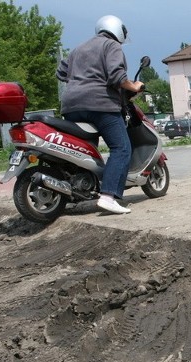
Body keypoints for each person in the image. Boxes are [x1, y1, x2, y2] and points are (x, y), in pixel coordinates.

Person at [56, 15, 144, 214]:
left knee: (84, 151)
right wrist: (135, 87)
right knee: (121, 148)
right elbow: (117, 77)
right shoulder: (111, 46)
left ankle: (77, 189)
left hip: (71, 106)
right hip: (100, 105)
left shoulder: (78, 48)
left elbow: (60, 74)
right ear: (118, 31)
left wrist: (80, 78)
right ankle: (108, 196)